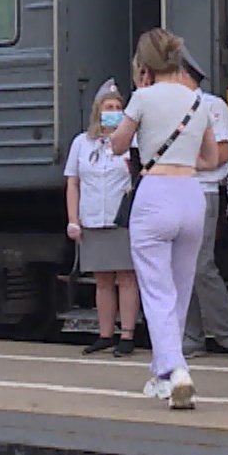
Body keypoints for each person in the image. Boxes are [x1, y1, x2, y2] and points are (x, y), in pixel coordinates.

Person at [110, 28, 220, 410]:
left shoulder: (142, 97)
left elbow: (118, 144)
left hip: (154, 196)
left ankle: (177, 369)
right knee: (179, 287)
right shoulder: (199, 101)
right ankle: (161, 374)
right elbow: (211, 158)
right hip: (191, 196)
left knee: (156, 292)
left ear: (145, 65)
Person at [181, 52, 228, 361]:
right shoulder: (167, 107)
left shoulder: (211, 105)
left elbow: (222, 154)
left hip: (203, 190)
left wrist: (179, 162)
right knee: (180, 268)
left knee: (200, 266)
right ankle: (191, 338)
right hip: (177, 189)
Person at [66, 81, 139, 358]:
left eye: (119, 107)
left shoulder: (132, 142)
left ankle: (128, 335)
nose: (114, 111)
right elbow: (73, 183)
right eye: (109, 107)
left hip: (122, 219)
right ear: (98, 111)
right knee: (103, 280)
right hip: (93, 218)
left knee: (127, 277)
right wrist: (73, 220)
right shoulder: (81, 143)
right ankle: (105, 334)